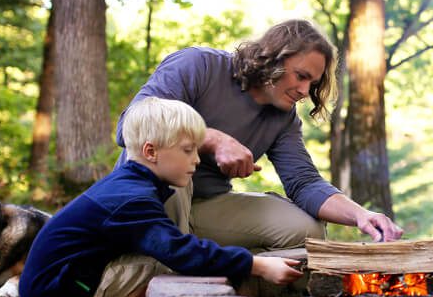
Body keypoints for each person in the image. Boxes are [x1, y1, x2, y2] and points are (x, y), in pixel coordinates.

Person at [19, 97, 303, 297]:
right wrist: (259, 265)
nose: (196, 161)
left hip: (55, 289)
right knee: (161, 267)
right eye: (188, 151)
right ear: (151, 151)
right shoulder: (133, 199)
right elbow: (183, 254)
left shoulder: (129, 184)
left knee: (150, 257)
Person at [115, 19, 403, 251]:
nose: (305, 91)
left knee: (306, 229)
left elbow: (304, 183)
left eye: (312, 83)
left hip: (206, 207)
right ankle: (166, 256)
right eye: (301, 76)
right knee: (167, 163)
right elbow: (131, 125)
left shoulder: (284, 117)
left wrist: (360, 216)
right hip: (149, 200)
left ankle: (233, 269)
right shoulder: (198, 65)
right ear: (272, 58)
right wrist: (213, 139)